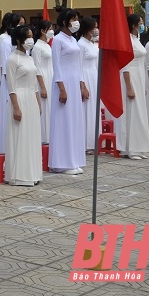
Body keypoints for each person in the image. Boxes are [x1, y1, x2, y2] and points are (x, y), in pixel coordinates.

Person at [48, 9, 88, 174]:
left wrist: (82, 85)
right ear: (64, 22)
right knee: (63, 122)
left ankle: (74, 159)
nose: (76, 22)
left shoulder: (73, 39)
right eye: (73, 19)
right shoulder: (58, 40)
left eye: (77, 19)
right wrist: (62, 89)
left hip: (74, 82)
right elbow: (56, 66)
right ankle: (61, 163)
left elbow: (78, 66)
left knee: (74, 121)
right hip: (63, 83)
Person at [5, 25, 43, 186]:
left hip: (31, 98)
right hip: (19, 98)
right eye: (27, 36)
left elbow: (34, 83)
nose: (30, 39)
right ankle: (19, 175)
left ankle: (32, 172)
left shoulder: (30, 58)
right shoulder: (12, 59)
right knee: (20, 135)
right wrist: (16, 107)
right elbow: (11, 86)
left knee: (31, 136)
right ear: (19, 39)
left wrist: (38, 101)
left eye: (31, 36)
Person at [116, 14, 149, 159]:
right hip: (129, 78)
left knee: (139, 113)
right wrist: (129, 87)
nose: (143, 25)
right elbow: (125, 65)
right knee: (131, 113)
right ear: (133, 25)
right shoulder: (127, 41)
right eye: (140, 23)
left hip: (139, 77)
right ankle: (129, 148)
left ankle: (139, 146)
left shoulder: (137, 40)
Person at [0, 13, 25, 154]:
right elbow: (6, 66)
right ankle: (6, 149)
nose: (22, 26)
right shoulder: (5, 40)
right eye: (20, 23)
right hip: (11, 81)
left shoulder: (20, 42)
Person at [77, 18, 99, 153]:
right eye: (94, 27)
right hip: (85, 76)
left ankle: (94, 140)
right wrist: (82, 86)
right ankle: (85, 143)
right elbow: (78, 66)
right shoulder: (81, 44)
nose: (96, 30)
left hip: (94, 75)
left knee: (93, 111)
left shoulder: (92, 44)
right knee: (86, 111)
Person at [32, 20, 54, 143]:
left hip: (50, 77)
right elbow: (37, 68)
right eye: (49, 28)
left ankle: (50, 135)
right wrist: (43, 87)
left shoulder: (47, 45)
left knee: (50, 108)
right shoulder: (37, 47)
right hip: (43, 79)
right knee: (44, 108)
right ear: (42, 31)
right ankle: (43, 137)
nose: (52, 31)